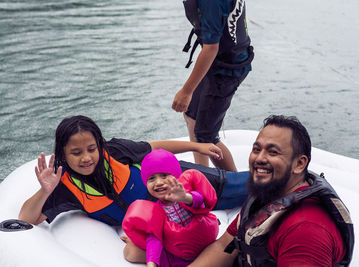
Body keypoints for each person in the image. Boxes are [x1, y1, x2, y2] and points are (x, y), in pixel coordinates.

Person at [18, 115, 248, 227]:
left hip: (178, 183)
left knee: (247, 186)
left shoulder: (115, 151)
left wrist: (196, 146)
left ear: (99, 145)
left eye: (91, 149)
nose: (87, 158)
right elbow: (26, 219)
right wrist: (45, 191)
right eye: (76, 153)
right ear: (63, 154)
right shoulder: (65, 186)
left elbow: (153, 147)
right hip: (165, 219)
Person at [189, 115, 354, 267]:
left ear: (299, 164)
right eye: (256, 149)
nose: (260, 158)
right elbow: (224, 246)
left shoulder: (306, 231)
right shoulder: (268, 196)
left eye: (273, 152)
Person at [172, 0, 254, 171]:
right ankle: (202, 175)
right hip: (216, 63)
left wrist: (186, 91)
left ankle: (235, 184)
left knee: (206, 135)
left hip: (226, 69)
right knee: (191, 116)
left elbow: (211, 48)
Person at [121, 149, 219, 266]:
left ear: (176, 177)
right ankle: (136, 243)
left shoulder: (184, 192)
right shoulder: (156, 210)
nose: (158, 182)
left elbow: (200, 201)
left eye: (164, 175)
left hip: (207, 242)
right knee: (130, 252)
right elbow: (155, 238)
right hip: (181, 255)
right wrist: (152, 263)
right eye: (151, 178)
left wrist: (184, 197)